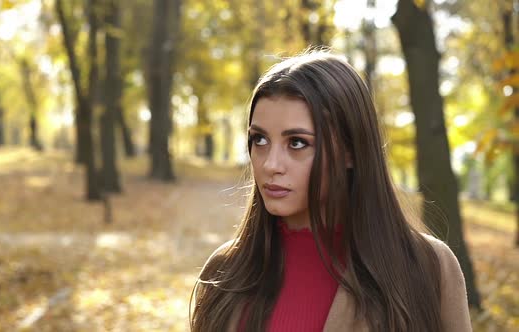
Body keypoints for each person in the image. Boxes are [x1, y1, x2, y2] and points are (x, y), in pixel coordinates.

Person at [189, 50, 472, 332]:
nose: (270, 164)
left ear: (350, 151)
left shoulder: (426, 267)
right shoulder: (224, 272)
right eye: (259, 139)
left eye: (297, 143)